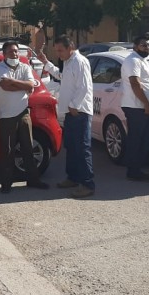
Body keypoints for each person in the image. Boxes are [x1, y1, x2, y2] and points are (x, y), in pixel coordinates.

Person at [38, 35, 95, 198]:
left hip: (79, 111)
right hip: (70, 111)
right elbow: (63, 77)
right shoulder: (69, 62)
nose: (58, 54)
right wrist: (46, 64)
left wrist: (75, 105)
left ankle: (87, 183)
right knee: (71, 147)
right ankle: (73, 177)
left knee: (82, 148)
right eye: (56, 51)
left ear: (70, 47)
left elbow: (84, 86)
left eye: (60, 50)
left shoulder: (79, 61)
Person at [0, 41, 49, 193]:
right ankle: (6, 183)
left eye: (16, 51)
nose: (15, 54)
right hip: (6, 115)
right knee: (8, 150)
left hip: (23, 112)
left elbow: (31, 85)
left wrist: (15, 83)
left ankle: (33, 180)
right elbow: (4, 85)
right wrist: (23, 85)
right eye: (11, 52)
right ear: (4, 54)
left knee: (28, 148)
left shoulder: (25, 67)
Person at [120, 35, 149, 182]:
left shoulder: (141, 60)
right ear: (135, 46)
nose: (147, 48)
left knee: (146, 138)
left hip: (143, 106)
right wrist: (146, 104)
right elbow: (135, 83)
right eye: (143, 45)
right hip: (136, 107)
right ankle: (133, 170)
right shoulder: (132, 60)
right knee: (137, 139)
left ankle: (136, 166)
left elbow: (145, 81)